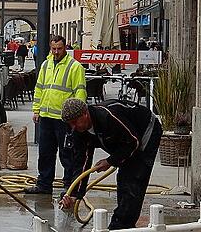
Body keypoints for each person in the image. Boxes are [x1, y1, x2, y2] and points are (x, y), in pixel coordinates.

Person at [59, 98, 162, 230]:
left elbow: (132, 142)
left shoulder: (108, 117)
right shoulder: (79, 131)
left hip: (146, 131)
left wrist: (110, 161)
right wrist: (74, 195)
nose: (73, 127)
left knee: (132, 178)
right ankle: (123, 222)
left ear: (85, 114)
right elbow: (81, 163)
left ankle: (121, 226)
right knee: (125, 174)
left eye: (75, 122)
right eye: (70, 124)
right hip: (123, 139)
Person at [25, 35, 87, 196]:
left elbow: (80, 93)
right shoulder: (46, 65)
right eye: (53, 49)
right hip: (46, 116)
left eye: (59, 48)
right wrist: (36, 110)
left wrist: (78, 117)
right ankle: (44, 184)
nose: (56, 52)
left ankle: (69, 185)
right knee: (45, 153)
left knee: (67, 153)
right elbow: (39, 88)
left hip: (65, 119)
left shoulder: (75, 67)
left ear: (65, 47)